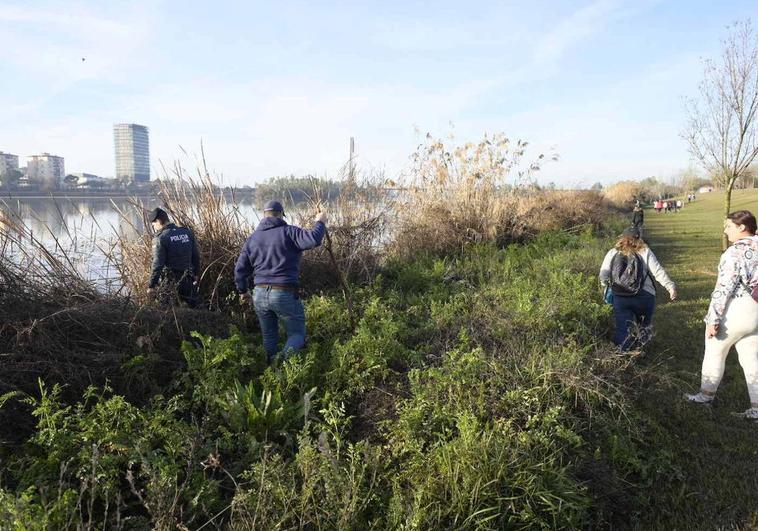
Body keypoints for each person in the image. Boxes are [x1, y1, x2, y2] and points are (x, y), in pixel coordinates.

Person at [684, 210, 758, 419]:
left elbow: (724, 288)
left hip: (736, 309)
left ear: (742, 227)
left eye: (728, 227)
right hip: (755, 310)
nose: (725, 231)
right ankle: (756, 408)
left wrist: (713, 319)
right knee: (751, 358)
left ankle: (705, 397)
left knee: (715, 350)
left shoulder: (733, 253)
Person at [235, 200, 328, 363]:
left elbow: (240, 270)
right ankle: (280, 364)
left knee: (269, 337)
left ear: (264, 216)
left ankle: (271, 371)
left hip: (259, 294)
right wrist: (320, 221)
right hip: (283, 293)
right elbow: (314, 238)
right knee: (297, 335)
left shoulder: (252, 239)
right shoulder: (289, 232)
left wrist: (243, 291)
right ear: (281, 215)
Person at [599, 227, 677, 350]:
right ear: (639, 238)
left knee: (622, 329)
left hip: (621, 297)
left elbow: (603, 275)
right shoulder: (645, 251)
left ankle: (624, 354)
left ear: (622, 238)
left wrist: (606, 286)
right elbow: (658, 271)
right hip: (645, 296)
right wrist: (670, 287)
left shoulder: (613, 252)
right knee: (644, 325)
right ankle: (642, 349)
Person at [147, 207, 201, 307]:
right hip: (188, 278)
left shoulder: (160, 238)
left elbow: (157, 264)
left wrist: (152, 285)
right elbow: (196, 256)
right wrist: (197, 273)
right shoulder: (186, 232)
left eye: (153, 224)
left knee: (167, 313)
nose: (154, 227)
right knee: (194, 309)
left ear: (158, 221)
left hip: (170, 282)